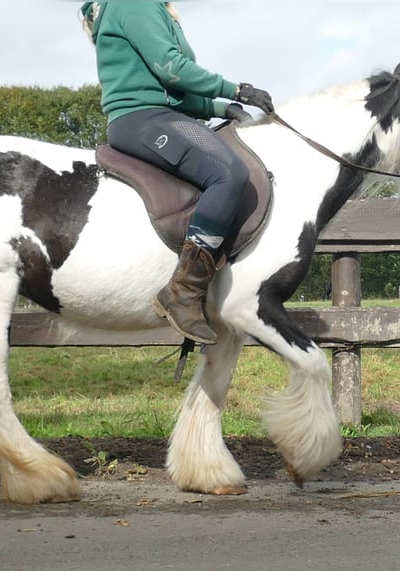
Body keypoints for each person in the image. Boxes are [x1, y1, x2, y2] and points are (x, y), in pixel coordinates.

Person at [81, 2, 274, 345]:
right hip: (142, 120)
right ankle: (182, 294)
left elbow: (172, 93)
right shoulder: (135, 4)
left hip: (162, 114)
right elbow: (172, 70)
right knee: (228, 174)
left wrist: (221, 108)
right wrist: (235, 90)